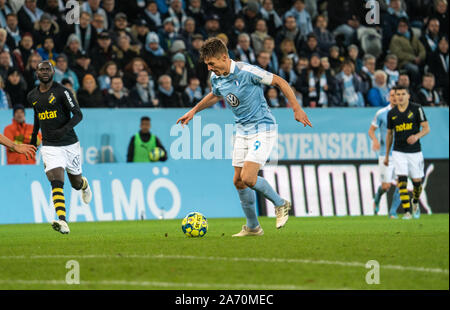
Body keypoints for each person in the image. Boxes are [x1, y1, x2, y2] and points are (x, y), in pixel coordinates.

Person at [176, 38, 312, 236]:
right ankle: (253, 227)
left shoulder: (248, 71)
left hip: (262, 128)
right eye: (207, 64)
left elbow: (280, 82)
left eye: (211, 63)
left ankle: (281, 203)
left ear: (224, 57)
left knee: (248, 177)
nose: (209, 68)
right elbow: (215, 95)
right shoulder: (217, 78)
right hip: (242, 130)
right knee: (238, 181)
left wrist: (297, 109)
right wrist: (194, 110)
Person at [28, 61, 92, 234]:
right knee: (56, 180)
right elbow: (37, 117)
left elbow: (78, 114)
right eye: (41, 69)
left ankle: (84, 184)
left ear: (53, 72)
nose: (45, 72)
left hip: (69, 144)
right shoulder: (32, 96)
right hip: (49, 146)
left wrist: (63, 130)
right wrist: (34, 138)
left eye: (48, 69)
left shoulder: (63, 92)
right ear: (37, 73)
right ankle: (63, 221)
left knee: (75, 184)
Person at [385, 85, 430, 220]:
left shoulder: (416, 109)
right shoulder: (391, 114)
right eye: (397, 94)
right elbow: (389, 135)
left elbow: (426, 128)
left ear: (408, 96)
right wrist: (387, 154)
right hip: (398, 151)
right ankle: (407, 212)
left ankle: (415, 202)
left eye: (403, 94)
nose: (400, 96)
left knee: (417, 182)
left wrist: (416, 136)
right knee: (402, 181)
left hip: (415, 152)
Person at [368, 89, 401, 218]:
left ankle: (392, 212)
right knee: (386, 186)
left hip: (400, 154)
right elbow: (371, 130)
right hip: (385, 154)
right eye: (392, 95)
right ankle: (377, 198)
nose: (394, 97)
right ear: (388, 98)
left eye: (397, 95)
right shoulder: (381, 113)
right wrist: (375, 140)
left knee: (401, 183)